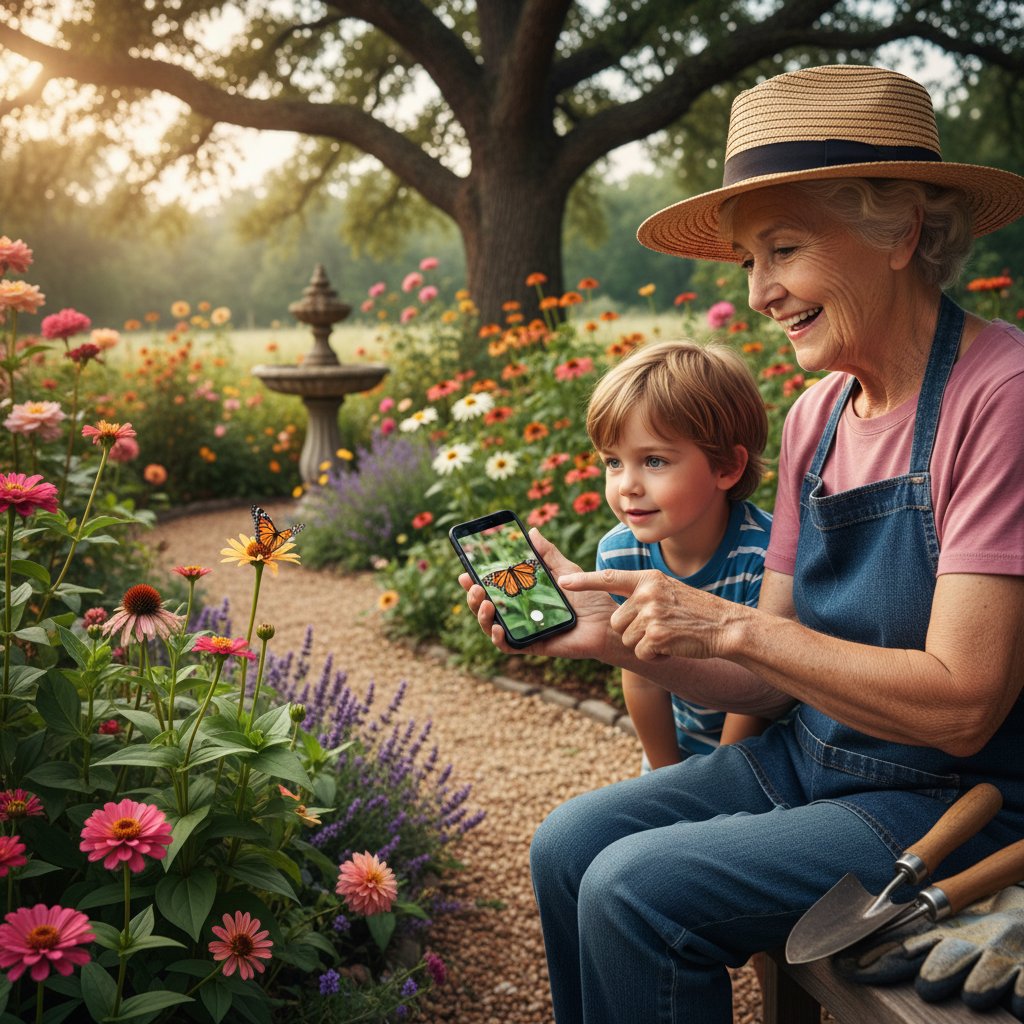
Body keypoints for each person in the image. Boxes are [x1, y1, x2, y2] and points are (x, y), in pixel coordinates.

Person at [459, 63, 1024, 1024]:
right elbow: (766, 685)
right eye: (746, 261)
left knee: (635, 889)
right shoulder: (814, 417)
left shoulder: (1000, 398)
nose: (760, 291)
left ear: (904, 232)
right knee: (564, 846)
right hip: (811, 759)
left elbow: (965, 706)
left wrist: (731, 630)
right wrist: (608, 636)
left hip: (952, 802)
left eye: (784, 249)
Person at [587, 340, 772, 770]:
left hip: (761, 758)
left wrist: (714, 784)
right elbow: (643, 678)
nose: (627, 485)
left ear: (727, 467)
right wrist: (666, 775)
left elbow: (756, 697)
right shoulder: (620, 556)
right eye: (613, 462)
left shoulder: (762, 556)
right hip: (682, 753)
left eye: (653, 461)